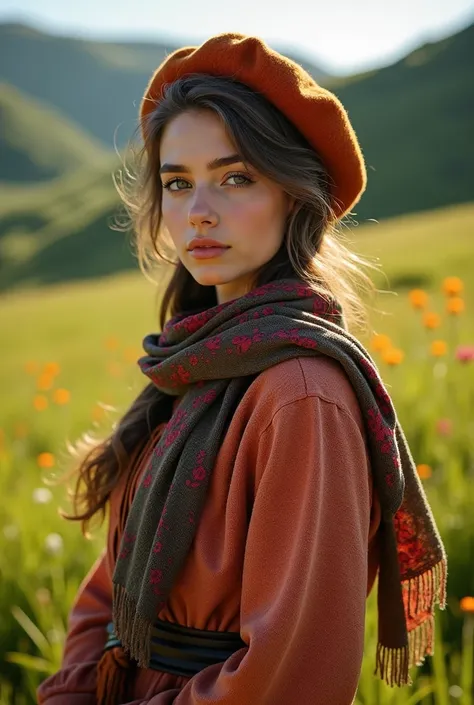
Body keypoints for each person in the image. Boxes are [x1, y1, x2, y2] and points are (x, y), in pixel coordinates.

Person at [36, 32, 447, 705]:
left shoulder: (301, 395)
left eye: (236, 178)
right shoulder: (187, 368)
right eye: (178, 183)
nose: (199, 211)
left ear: (294, 194)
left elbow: (289, 677)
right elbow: (109, 591)